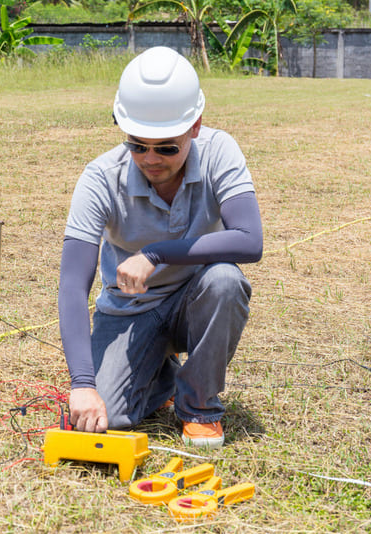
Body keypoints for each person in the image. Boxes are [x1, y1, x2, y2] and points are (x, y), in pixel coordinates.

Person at [58, 46, 263, 449]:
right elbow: (72, 285)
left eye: (166, 147)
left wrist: (156, 253)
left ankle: (199, 407)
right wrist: (82, 383)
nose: (150, 159)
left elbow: (249, 239)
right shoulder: (100, 177)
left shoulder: (220, 151)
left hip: (196, 302)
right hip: (130, 310)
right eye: (137, 145)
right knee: (108, 419)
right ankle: (161, 374)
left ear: (195, 127)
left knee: (225, 280)